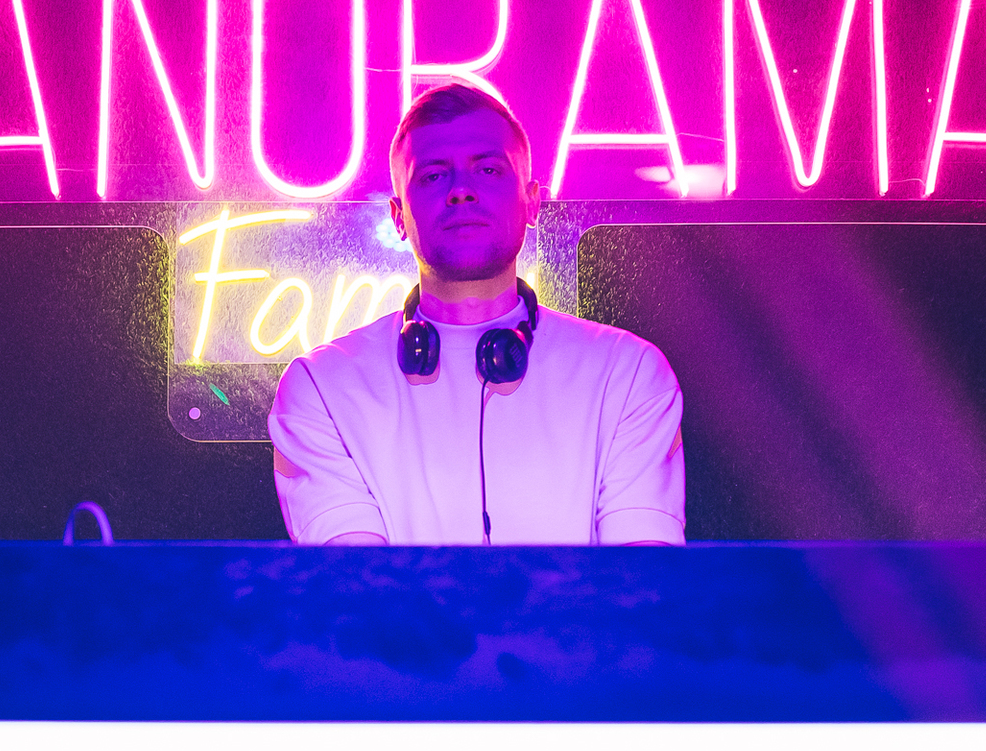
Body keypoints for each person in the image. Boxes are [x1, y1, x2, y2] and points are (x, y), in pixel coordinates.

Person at [267, 82, 686, 545]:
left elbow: (642, 578)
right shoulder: (321, 389)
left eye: (488, 170)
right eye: (433, 176)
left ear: (532, 201)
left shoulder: (628, 374)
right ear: (398, 216)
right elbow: (359, 585)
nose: (462, 191)